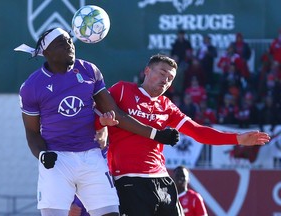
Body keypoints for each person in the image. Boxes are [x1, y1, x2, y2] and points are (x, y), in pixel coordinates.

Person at [17, 28, 179, 216]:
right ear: (46, 52)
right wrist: (42, 154)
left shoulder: (88, 70)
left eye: (70, 41)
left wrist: (156, 134)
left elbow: (116, 114)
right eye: (62, 43)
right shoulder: (31, 86)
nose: (70, 45)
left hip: (92, 157)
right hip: (57, 160)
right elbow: (32, 131)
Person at [97, 54, 270, 216]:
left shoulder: (167, 106)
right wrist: (102, 124)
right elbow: (94, 118)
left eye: (171, 79)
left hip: (163, 180)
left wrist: (237, 138)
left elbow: (197, 131)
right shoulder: (121, 90)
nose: (166, 80)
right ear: (147, 71)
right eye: (163, 73)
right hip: (130, 179)